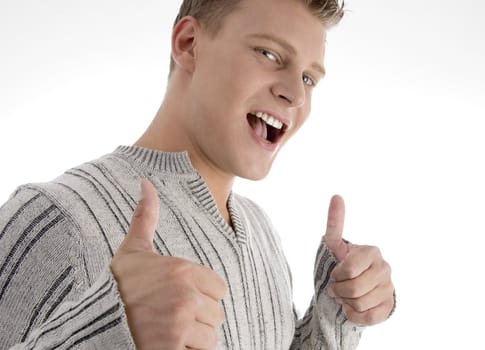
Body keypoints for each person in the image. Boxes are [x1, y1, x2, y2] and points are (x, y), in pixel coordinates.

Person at [0, 0, 395, 348]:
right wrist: (102, 331)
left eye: (309, 78)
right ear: (189, 45)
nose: (296, 94)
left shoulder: (261, 234)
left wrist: (335, 313)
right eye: (270, 54)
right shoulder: (57, 217)